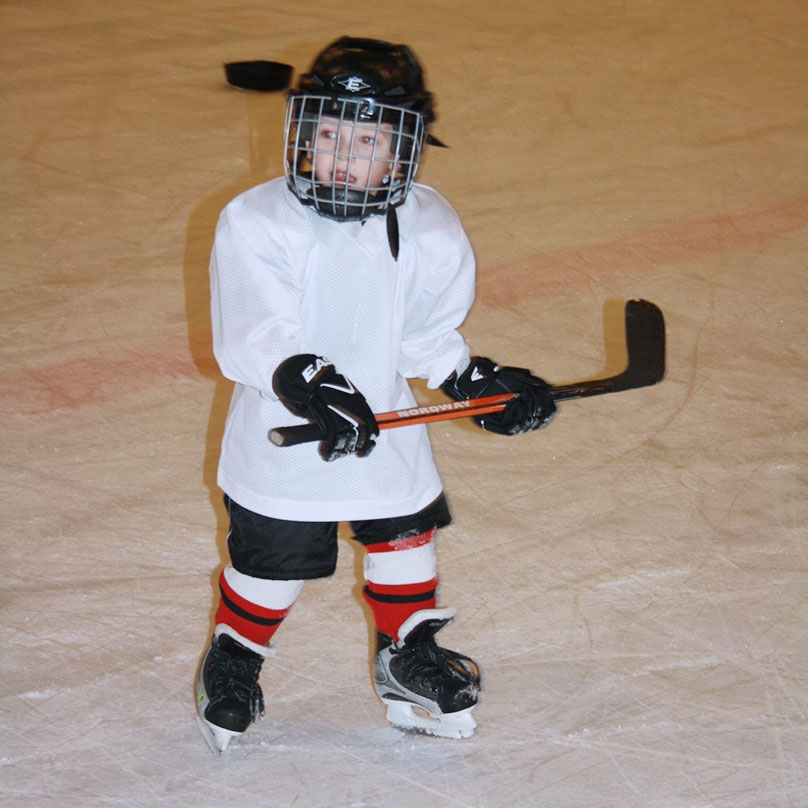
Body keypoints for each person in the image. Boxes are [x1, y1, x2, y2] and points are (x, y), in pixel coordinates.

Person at [195, 36, 556, 752]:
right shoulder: (258, 219)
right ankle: (233, 662)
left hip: (386, 430)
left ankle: (407, 657)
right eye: (329, 134)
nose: (343, 155)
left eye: (367, 140)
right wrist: (307, 380)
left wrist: (473, 381)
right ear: (303, 129)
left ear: (404, 149)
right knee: (270, 570)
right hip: (286, 436)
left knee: (405, 544)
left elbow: (424, 330)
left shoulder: (428, 223)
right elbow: (252, 329)